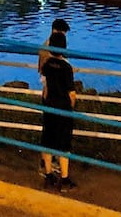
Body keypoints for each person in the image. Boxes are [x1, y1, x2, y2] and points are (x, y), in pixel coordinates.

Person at [39, 30, 76, 190]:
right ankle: (65, 179)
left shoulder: (47, 65)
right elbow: (71, 93)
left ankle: (48, 176)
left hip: (49, 106)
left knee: (48, 140)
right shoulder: (66, 68)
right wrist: (71, 107)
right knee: (64, 144)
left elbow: (46, 88)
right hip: (63, 108)